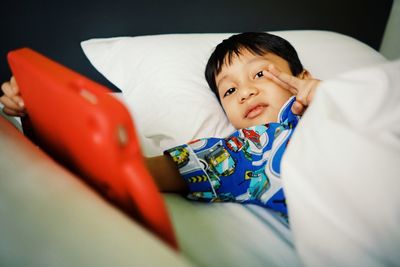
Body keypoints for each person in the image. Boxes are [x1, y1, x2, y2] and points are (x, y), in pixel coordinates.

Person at [0, 32, 320, 218]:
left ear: (302, 77)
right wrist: (34, 113)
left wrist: (329, 96)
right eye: (230, 90)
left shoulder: (338, 98)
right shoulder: (246, 151)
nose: (245, 92)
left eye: (260, 74)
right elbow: (121, 168)